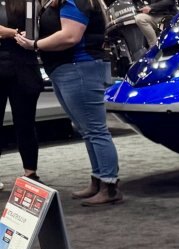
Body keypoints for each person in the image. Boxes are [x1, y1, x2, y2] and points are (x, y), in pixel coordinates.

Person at [17, 0, 123, 205]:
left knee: (95, 130)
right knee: (88, 130)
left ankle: (109, 185)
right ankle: (99, 179)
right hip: (69, 68)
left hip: (79, 67)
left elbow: (70, 36)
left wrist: (35, 45)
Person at [0, 0, 44, 191]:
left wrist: (11, 33)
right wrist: (13, 33)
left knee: (26, 123)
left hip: (24, 68)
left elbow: (35, 32)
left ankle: (30, 173)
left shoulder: (29, 2)